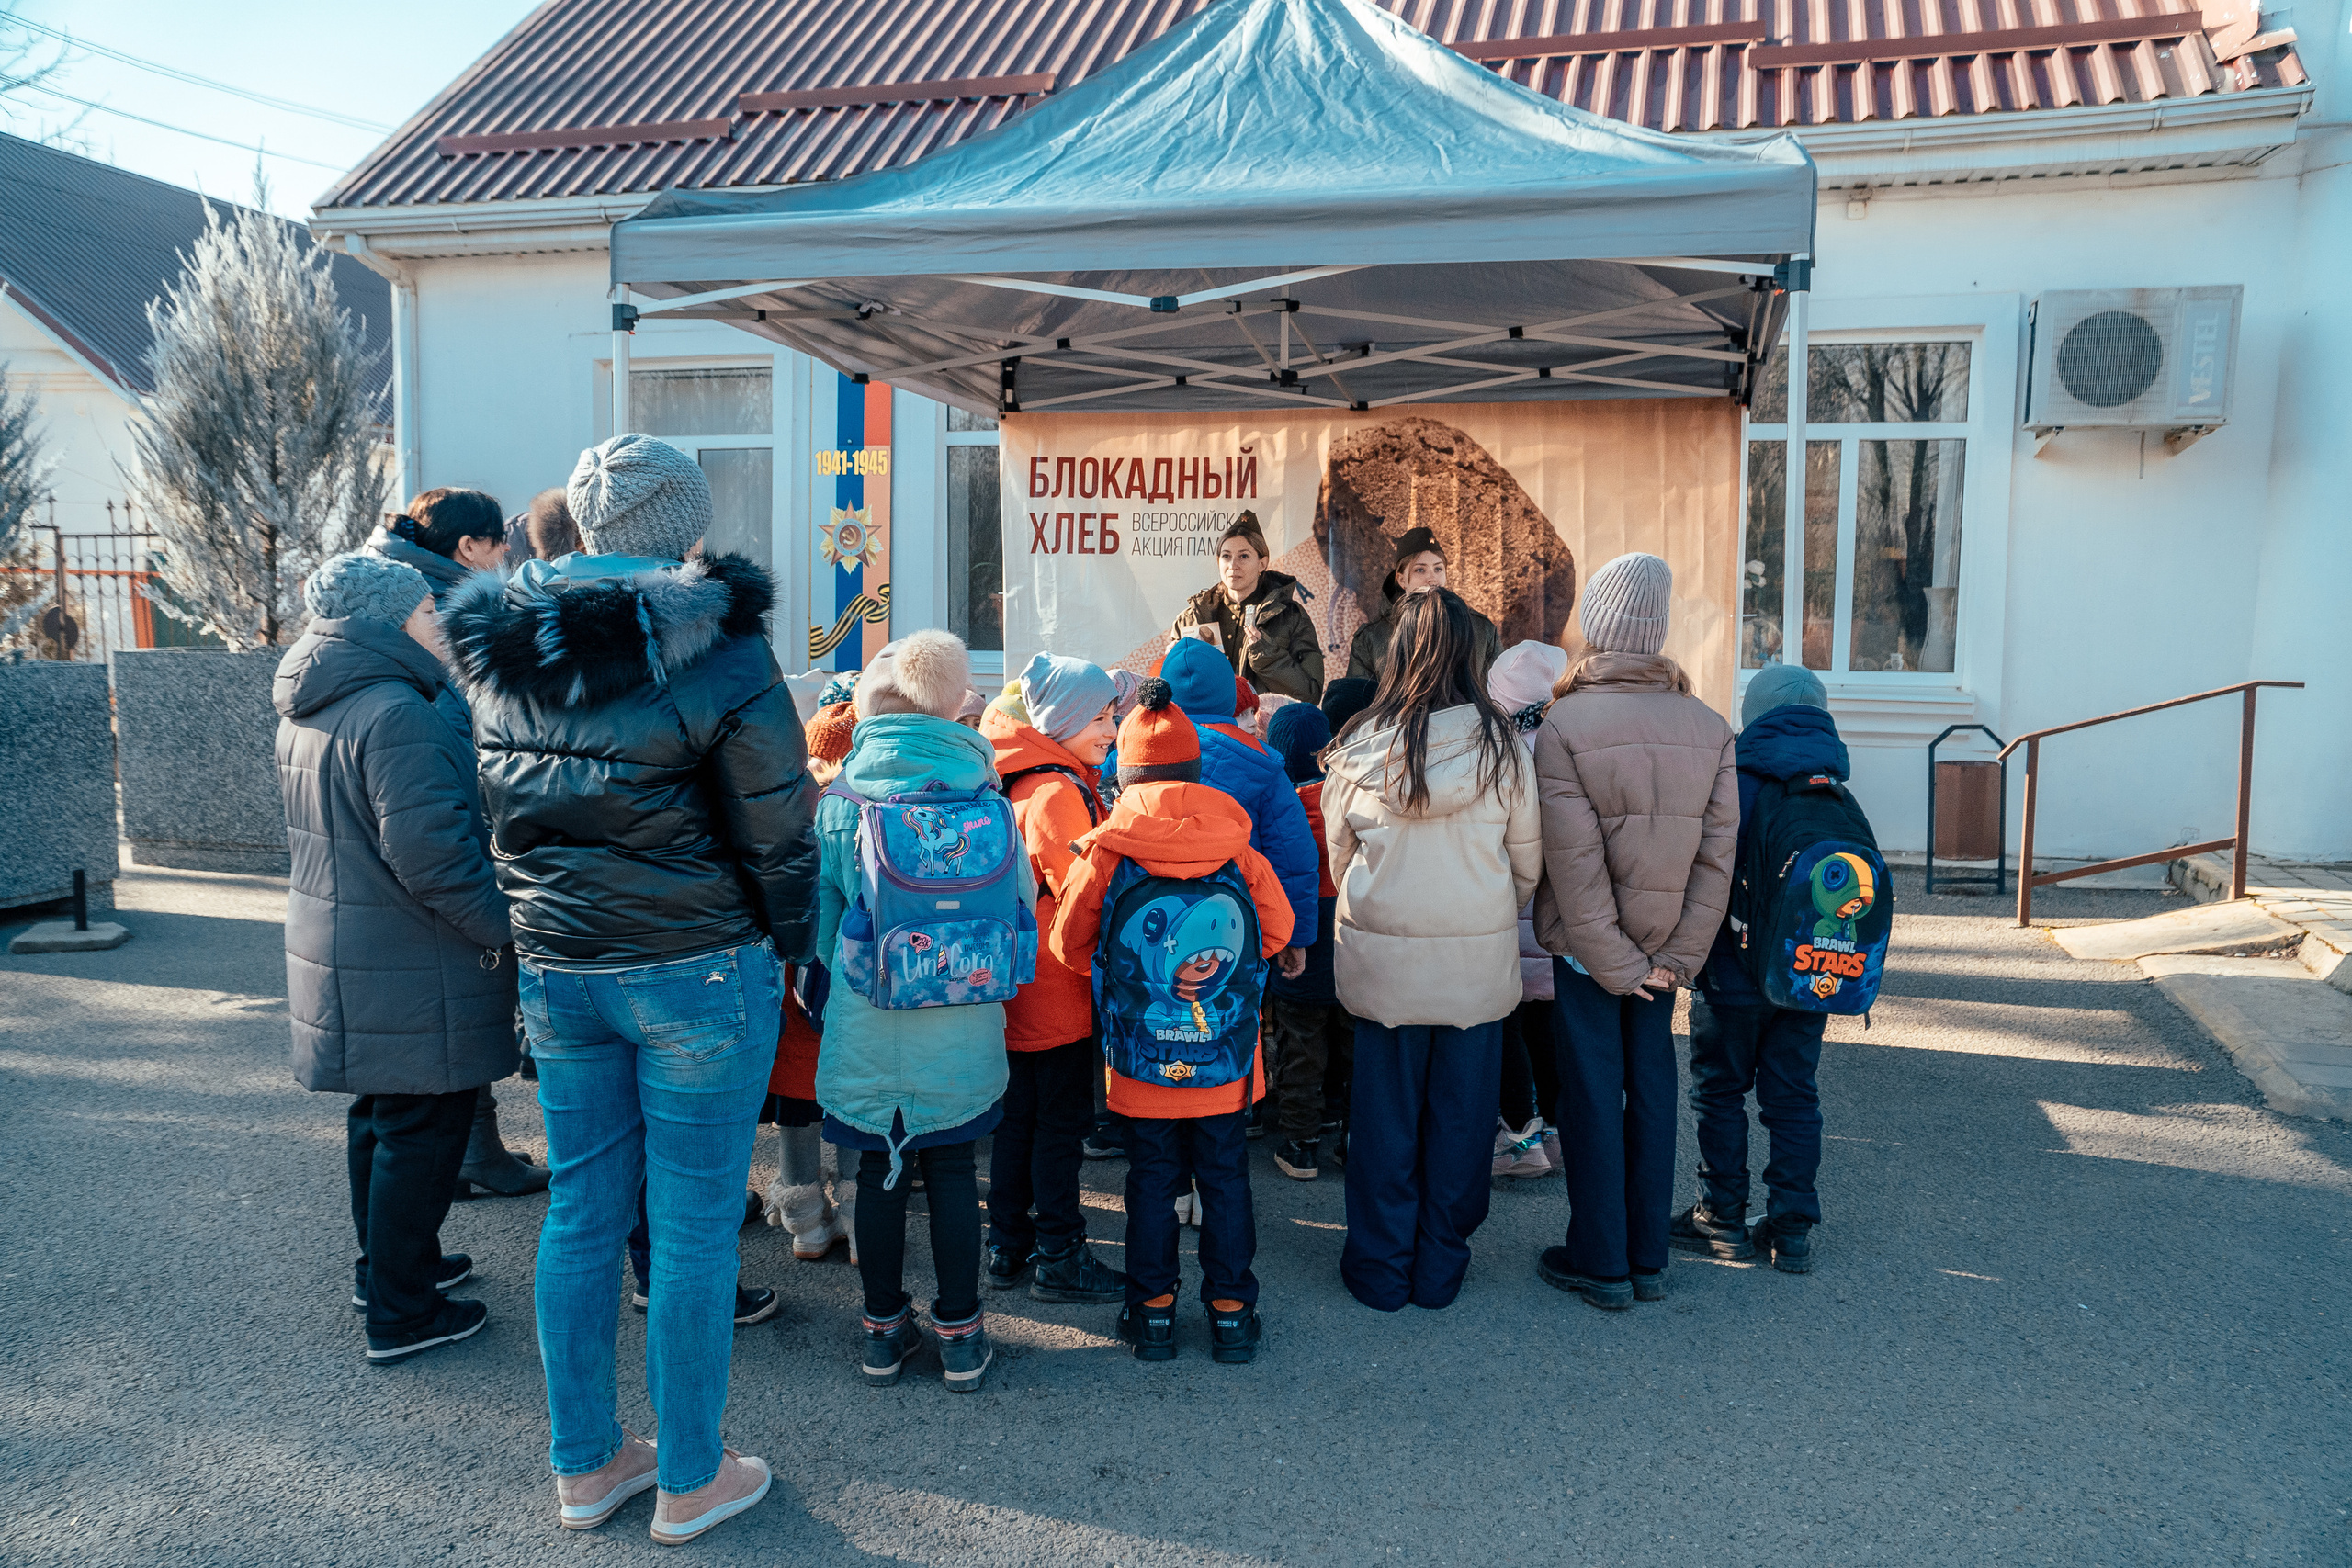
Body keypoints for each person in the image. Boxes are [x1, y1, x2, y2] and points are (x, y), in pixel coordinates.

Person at [443, 432, 815, 1544]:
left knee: (582, 1214)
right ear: (683, 525)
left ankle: (588, 1466)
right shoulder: (719, 645)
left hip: (563, 970)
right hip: (697, 965)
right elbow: (780, 823)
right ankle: (692, 1476)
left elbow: (496, 815)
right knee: (694, 1229)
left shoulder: (500, 651)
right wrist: (795, 948)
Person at [275, 551, 515, 1364]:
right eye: (424, 613)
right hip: (411, 954)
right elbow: (432, 854)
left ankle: (388, 1267)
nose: (438, 625)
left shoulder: (319, 699)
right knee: (424, 1126)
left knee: (382, 1118)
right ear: (387, 623)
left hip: (349, 941)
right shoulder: (398, 710)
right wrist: (502, 927)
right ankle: (401, 1312)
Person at [1049, 681, 1296, 1363]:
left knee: (1151, 1179)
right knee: (1224, 1176)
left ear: (1127, 775)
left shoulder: (1110, 849)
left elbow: (1067, 944)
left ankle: (1152, 1313)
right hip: (1223, 1057)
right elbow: (1276, 932)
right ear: (1192, 770)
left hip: (1140, 1056)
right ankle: (1231, 1314)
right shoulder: (1236, 846)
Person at [812, 629, 1029, 1394]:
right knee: (949, 1172)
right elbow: (1018, 907)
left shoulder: (841, 803)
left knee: (878, 1169)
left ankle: (882, 1331)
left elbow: (819, 927)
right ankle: (962, 1336)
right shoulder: (989, 798)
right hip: (963, 1016)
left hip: (870, 1013)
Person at [1323, 589, 1542, 1312]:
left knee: (1383, 1119)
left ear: (1396, 652)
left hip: (1382, 970)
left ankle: (1380, 1267)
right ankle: (1441, 1265)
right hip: (1474, 972)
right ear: (1471, 655)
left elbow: (1338, 861)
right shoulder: (1504, 746)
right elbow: (1526, 866)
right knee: (1461, 1118)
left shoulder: (1355, 745)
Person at [1532, 553, 1737, 1313]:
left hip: (1592, 958)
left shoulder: (1565, 724)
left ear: (1598, 625)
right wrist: (1675, 958)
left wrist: (1612, 959)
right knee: (1653, 1089)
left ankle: (1601, 1261)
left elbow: (1574, 863)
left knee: (1590, 1095)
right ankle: (1648, 1255)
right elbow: (1718, 859)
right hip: (1662, 960)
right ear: (1656, 630)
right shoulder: (1711, 728)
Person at [364, 485, 548, 1201]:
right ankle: (470, 1155)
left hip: (395, 825)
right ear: (467, 548)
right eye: (497, 542)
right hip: (446, 812)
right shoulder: (439, 607)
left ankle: (472, 1152)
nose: (507, 552)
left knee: (424, 1025)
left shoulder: (390, 584)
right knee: (457, 993)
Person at [1675, 664, 1849, 1275]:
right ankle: (1793, 1225)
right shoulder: (1835, 789)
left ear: (1753, 713)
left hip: (1734, 972)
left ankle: (1721, 1215)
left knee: (1720, 1090)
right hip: (1810, 975)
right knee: (1794, 1094)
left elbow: (1706, 869)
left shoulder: (1734, 779)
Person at [983, 654, 1128, 1303]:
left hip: (1014, 984)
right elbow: (1082, 894)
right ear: (1063, 720)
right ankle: (1060, 1254)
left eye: (1113, 714)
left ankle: (1007, 1244)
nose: (1112, 726)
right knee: (1058, 1125)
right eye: (1099, 716)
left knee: (1018, 1121)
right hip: (1056, 987)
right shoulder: (1054, 793)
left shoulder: (1015, 779)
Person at [1157, 634, 1317, 967]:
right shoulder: (1263, 763)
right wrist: (1295, 936)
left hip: (1157, 920)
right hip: (1240, 921)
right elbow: (1292, 857)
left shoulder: (1134, 755)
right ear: (1229, 694)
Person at [1486, 640, 1570, 1180]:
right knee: (1549, 1029)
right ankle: (1559, 1134)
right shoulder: (1572, 747)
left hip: (1508, 914)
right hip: (1557, 919)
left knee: (1507, 1027)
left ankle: (1520, 1138)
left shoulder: (1498, 753)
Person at [1261, 700, 1342, 1180]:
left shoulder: (1276, 809)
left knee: (1302, 1044)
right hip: (1348, 932)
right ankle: (1348, 1133)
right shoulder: (1346, 799)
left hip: (1298, 936)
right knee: (1352, 1043)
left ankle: (1299, 1144)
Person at [1170, 512, 1323, 703]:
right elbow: (1170, 692)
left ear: (1262, 563)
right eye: (1226, 556)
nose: (1233, 565)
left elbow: (1310, 694)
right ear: (1218, 561)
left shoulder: (1290, 616)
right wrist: (1175, 662)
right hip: (1207, 729)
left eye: (1243, 556)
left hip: (1263, 729)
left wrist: (1266, 655)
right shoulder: (1192, 618)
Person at [1344, 525, 1502, 682]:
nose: (1432, 578)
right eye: (1420, 570)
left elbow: (1499, 695)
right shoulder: (1370, 639)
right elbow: (1359, 702)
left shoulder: (1481, 629)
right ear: (1401, 580)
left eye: (1438, 569)